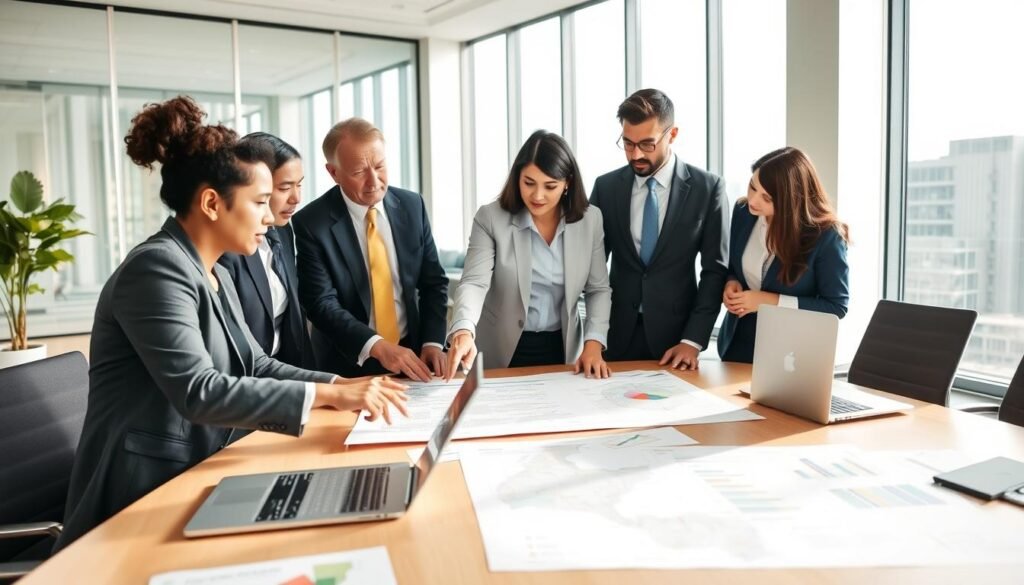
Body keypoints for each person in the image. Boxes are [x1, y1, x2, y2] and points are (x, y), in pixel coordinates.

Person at [56, 97, 408, 551]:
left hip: (201, 467)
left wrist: (343, 384)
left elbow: (256, 363)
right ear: (211, 203)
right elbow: (199, 390)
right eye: (261, 201)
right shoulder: (156, 270)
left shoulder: (213, 271)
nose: (271, 216)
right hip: (142, 495)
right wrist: (330, 394)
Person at [445, 130, 612, 378]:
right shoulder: (490, 218)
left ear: (568, 183)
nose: (537, 196)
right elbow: (474, 283)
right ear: (517, 178)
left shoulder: (590, 220)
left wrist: (594, 344)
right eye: (529, 183)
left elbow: (598, 289)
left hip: (563, 347)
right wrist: (463, 330)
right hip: (501, 347)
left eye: (550, 186)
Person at [292, 118, 448, 381]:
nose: (373, 181)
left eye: (379, 166)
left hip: (413, 356)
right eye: (358, 172)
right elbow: (321, 303)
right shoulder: (311, 223)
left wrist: (432, 341)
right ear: (333, 172)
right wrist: (376, 346)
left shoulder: (412, 206)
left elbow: (433, 282)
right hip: (348, 362)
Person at [589, 88, 730, 370]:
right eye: (627, 143)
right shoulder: (606, 188)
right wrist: (592, 337)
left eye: (647, 144)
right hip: (614, 337)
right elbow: (592, 265)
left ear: (672, 135)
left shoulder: (708, 188)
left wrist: (692, 340)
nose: (635, 154)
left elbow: (715, 270)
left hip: (676, 341)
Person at [717, 146, 850, 363]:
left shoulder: (826, 236)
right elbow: (733, 266)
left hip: (790, 355)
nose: (753, 200)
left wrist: (769, 301)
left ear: (792, 200)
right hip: (736, 345)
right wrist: (731, 282)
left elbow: (836, 307)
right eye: (752, 187)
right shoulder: (743, 212)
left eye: (767, 198)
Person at [217, 132, 313, 369]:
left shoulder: (283, 230)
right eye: (285, 188)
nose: (296, 198)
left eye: (299, 185)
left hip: (285, 373)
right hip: (247, 378)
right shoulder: (228, 248)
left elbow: (294, 320)